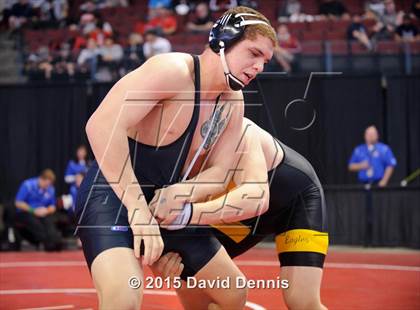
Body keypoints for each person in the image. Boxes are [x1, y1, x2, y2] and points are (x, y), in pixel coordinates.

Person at [75, 6, 276, 309]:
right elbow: (101, 125)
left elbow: (221, 170)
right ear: (224, 40)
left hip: (162, 202)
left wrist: (182, 193)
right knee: (123, 298)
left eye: (265, 60)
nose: (259, 67)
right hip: (112, 196)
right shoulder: (172, 71)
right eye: (254, 53)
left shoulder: (233, 103)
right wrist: (137, 209)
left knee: (234, 293)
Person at [151, 117, 328, 309]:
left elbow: (256, 198)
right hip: (241, 213)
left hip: (294, 203)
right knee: (187, 274)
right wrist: (159, 261)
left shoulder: (239, 129)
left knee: (302, 301)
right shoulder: (162, 148)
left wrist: (187, 214)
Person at [14, 169, 62, 251]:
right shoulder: (27, 185)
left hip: (42, 212)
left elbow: (53, 206)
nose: (47, 187)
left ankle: (55, 242)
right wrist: (33, 210)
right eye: (46, 184)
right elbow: (18, 203)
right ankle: (45, 243)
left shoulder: (50, 188)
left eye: (49, 185)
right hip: (27, 212)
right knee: (37, 226)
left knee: (49, 225)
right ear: (41, 179)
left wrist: (47, 210)